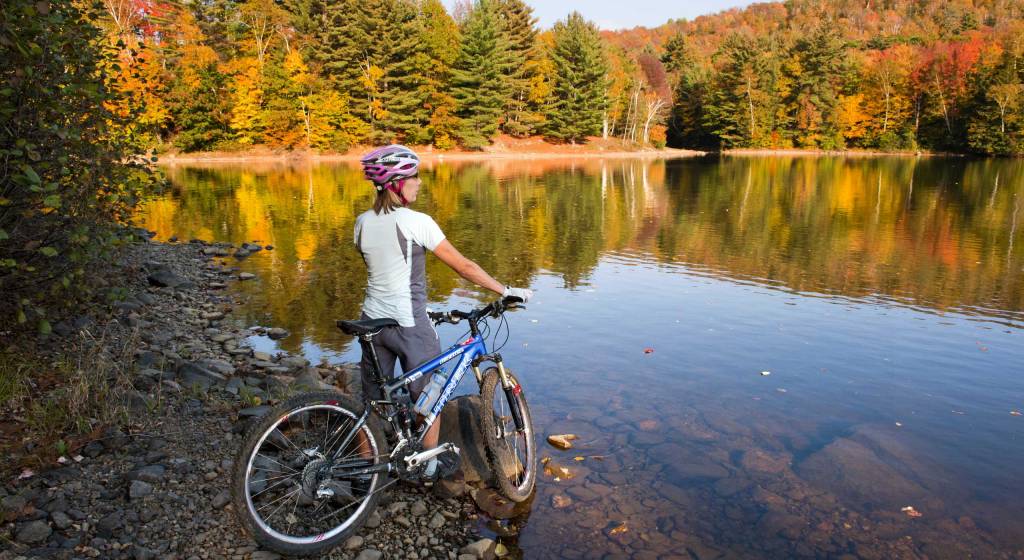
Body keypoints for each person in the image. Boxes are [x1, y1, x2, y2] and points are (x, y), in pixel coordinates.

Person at [355, 144, 533, 480]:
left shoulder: (362, 223)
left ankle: (367, 469)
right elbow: (464, 266)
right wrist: (505, 290)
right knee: (429, 394)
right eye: (413, 176)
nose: (419, 182)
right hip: (408, 324)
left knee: (373, 399)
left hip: (371, 321)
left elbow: (384, 271)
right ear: (395, 183)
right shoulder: (416, 221)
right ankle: (428, 465)